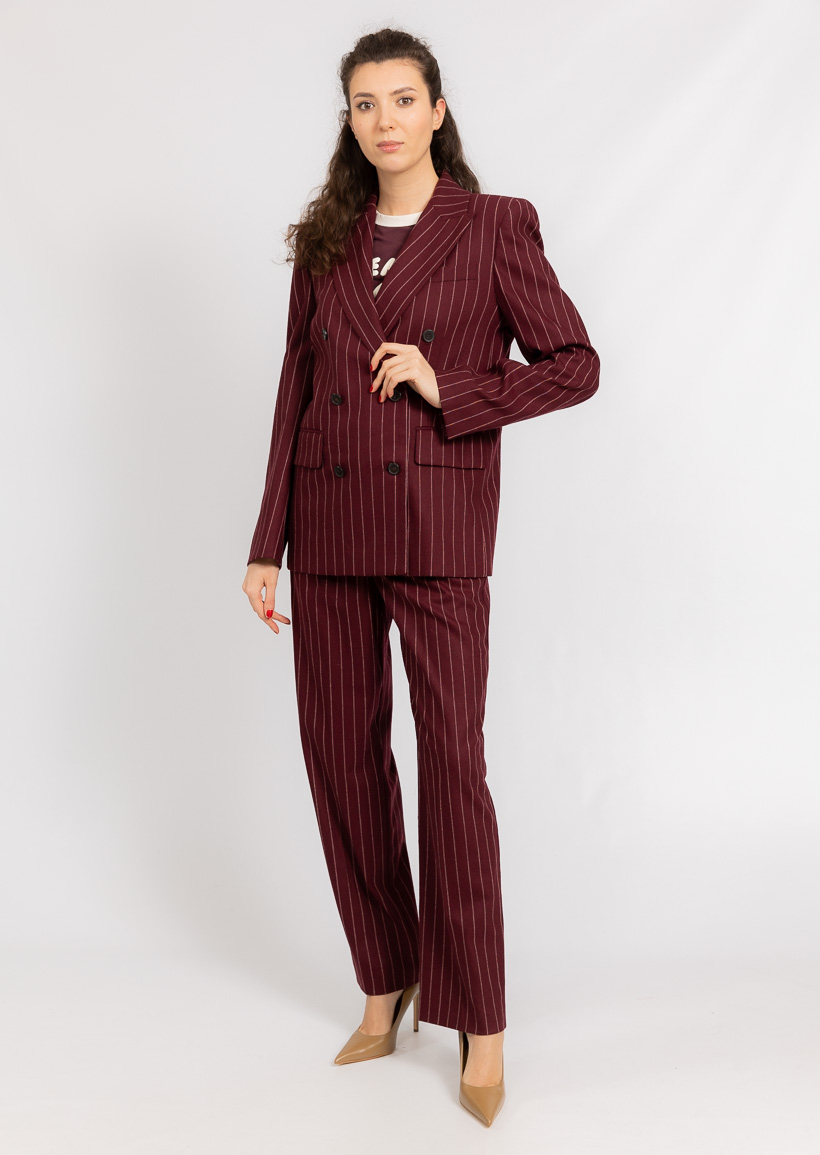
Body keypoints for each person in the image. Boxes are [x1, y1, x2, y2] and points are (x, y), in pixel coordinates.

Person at [241, 26, 600, 1127]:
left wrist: (457, 388)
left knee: (451, 768)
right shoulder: (327, 239)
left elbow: (575, 364)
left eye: (402, 98)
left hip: (438, 531)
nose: (384, 119)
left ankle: (480, 1021)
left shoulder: (492, 226)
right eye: (365, 103)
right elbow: (296, 387)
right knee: (341, 763)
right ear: (348, 120)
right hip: (328, 528)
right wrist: (265, 543)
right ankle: (385, 978)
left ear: (437, 110)